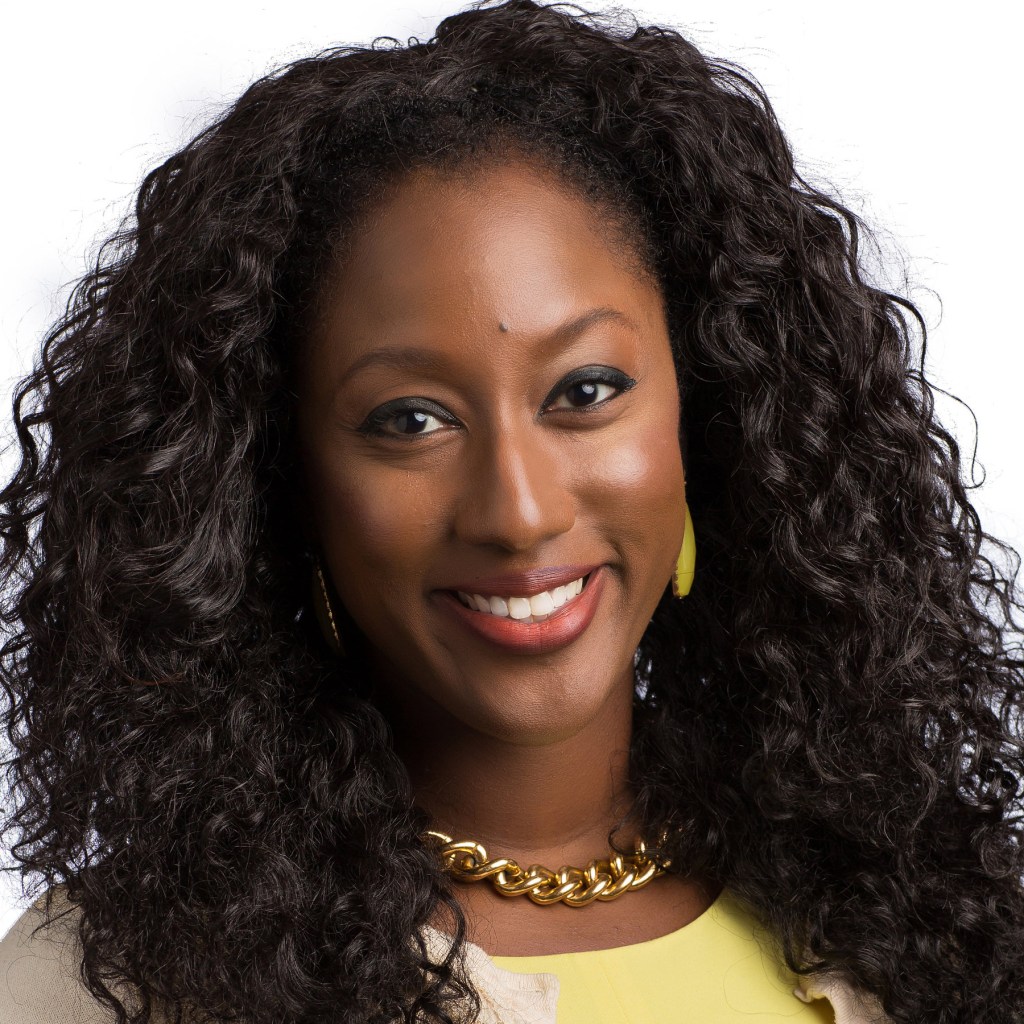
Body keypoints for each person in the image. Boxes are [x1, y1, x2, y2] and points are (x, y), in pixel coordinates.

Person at [1, 0, 1022, 1021]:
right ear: (276, 481)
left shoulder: (941, 926)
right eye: (409, 419)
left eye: (585, 391)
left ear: (710, 419)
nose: (519, 512)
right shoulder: (112, 980)